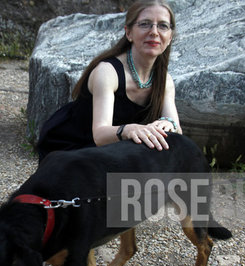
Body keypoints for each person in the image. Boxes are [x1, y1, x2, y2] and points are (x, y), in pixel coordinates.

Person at [37, 0, 182, 162]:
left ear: (170, 37)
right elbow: (99, 135)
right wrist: (129, 129)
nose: (154, 32)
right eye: (145, 24)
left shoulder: (165, 81)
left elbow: (178, 131)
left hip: (115, 150)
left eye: (163, 26)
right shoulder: (107, 72)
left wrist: (168, 125)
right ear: (129, 33)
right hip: (75, 145)